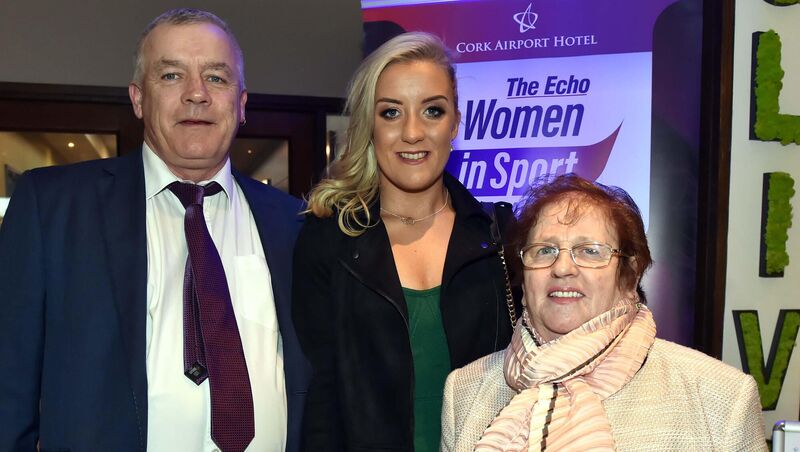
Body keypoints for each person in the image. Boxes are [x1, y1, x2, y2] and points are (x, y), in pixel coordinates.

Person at [0, 9, 309, 452]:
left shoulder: (294, 225)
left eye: (217, 79)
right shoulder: (53, 209)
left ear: (241, 106)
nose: (196, 94)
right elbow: (8, 392)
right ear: (138, 99)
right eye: (170, 76)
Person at [292, 32, 518, 452]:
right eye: (391, 112)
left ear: (455, 123)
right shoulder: (328, 241)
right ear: (368, 126)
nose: (412, 132)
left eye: (432, 110)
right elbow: (320, 397)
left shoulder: (499, 235)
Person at [441, 174, 768, 452]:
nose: (563, 267)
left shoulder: (721, 398)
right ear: (523, 279)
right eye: (544, 250)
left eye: (589, 251)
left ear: (629, 276)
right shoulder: (465, 391)